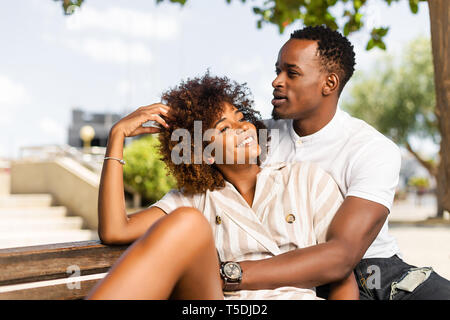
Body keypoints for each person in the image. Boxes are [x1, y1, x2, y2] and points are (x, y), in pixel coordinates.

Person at [86, 73, 359, 300]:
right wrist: (117, 135)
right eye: (224, 128)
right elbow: (115, 229)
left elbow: (341, 275)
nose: (242, 128)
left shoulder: (306, 179)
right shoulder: (194, 201)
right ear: (206, 153)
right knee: (188, 222)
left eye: (241, 118)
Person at [243, 25, 450, 300]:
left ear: (329, 83)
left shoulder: (372, 148)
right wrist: (172, 119)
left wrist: (232, 273)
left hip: (377, 272)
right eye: (277, 71)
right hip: (292, 273)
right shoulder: (254, 139)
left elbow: (341, 256)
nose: (277, 81)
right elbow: (202, 137)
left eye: (291, 73)